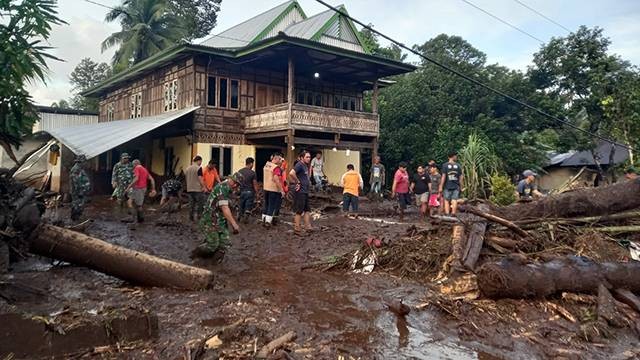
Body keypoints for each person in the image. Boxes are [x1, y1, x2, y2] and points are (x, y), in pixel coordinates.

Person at [193, 172, 242, 262]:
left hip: (220, 219)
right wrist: (234, 224)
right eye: (234, 182)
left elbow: (231, 205)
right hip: (210, 219)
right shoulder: (221, 188)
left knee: (225, 243)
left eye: (237, 184)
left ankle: (213, 263)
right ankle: (195, 254)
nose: (235, 185)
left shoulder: (230, 189)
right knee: (212, 245)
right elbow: (225, 208)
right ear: (230, 179)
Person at [289, 150, 313, 234]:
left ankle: (307, 226)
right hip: (300, 191)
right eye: (307, 157)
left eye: (309, 157)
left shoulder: (305, 166)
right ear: (302, 158)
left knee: (307, 209)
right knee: (299, 210)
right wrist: (297, 181)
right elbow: (291, 173)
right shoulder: (299, 164)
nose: (308, 158)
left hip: (305, 191)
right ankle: (297, 228)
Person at [185, 156, 207, 221]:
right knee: (200, 204)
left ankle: (190, 217)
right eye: (201, 161)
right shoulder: (198, 168)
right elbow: (200, 178)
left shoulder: (187, 169)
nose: (201, 163)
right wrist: (204, 187)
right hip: (197, 189)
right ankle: (199, 217)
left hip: (189, 189)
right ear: (199, 161)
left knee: (191, 204)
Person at [69, 154, 91, 221]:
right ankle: (75, 219)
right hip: (78, 192)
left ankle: (77, 218)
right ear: (81, 162)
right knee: (77, 205)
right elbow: (76, 182)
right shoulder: (76, 169)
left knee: (80, 205)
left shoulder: (80, 169)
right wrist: (80, 191)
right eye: (84, 162)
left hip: (81, 191)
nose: (85, 163)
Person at [237, 157, 259, 223]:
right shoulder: (253, 173)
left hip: (242, 191)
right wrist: (257, 193)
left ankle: (240, 215)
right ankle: (246, 215)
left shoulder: (240, 171)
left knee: (241, 204)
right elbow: (255, 184)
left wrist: (237, 191)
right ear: (251, 163)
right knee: (248, 205)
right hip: (250, 192)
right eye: (253, 164)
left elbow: (237, 182)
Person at [262, 153, 280, 225]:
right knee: (271, 205)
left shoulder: (267, 165)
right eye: (279, 159)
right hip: (273, 189)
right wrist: (281, 190)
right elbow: (276, 178)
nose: (279, 160)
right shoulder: (276, 167)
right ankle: (268, 221)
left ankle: (263, 219)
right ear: (275, 159)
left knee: (266, 204)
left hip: (265, 188)